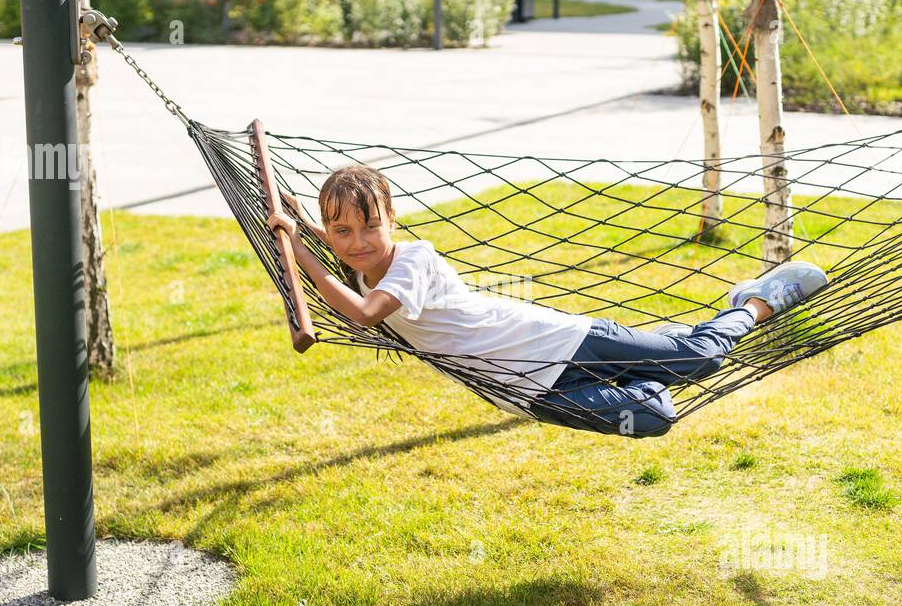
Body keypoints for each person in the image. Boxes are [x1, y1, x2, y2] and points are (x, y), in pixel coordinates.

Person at [268, 165, 828, 438]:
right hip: (521, 390)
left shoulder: (412, 261)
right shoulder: (359, 269)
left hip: (554, 339)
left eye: (371, 226)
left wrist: (299, 248)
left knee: (700, 361)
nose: (358, 242)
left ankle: (754, 303)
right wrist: (303, 230)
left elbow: (363, 316)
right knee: (655, 417)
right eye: (341, 232)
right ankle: (654, 361)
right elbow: (350, 277)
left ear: (393, 220)